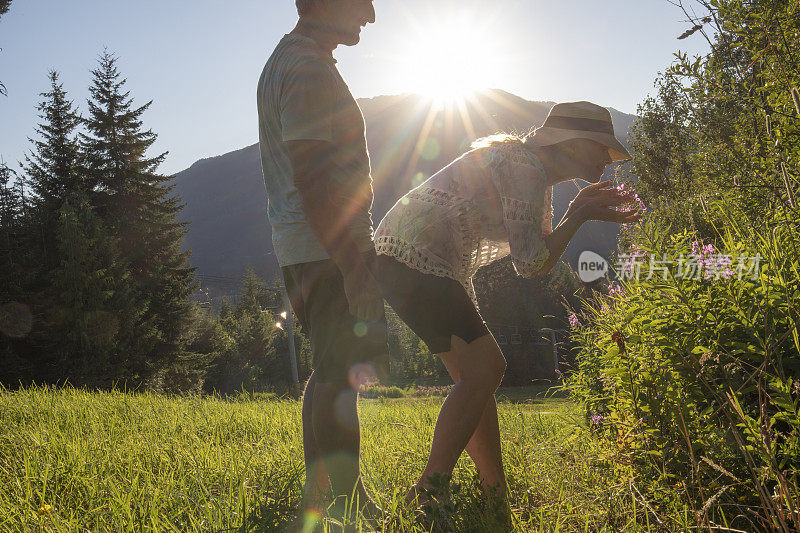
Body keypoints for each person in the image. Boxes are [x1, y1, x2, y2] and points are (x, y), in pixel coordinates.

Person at [373, 101, 643, 518]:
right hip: (414, 257)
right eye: (601, 150)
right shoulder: (526, 169)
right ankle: (425, 494)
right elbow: (531, 264)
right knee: (485, 370)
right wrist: (580, 213)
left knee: (477, 377)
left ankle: (494, 493)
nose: (607, 161)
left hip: (416, 259)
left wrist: (577, 212)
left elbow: (537, 255)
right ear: (573, 144)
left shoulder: (531, 170)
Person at [256, 0, 387, 526]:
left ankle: (323, 495)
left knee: (326, 373)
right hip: (329, 249)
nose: (371, 17)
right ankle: (346, 507)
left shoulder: (286, 60)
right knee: (341, 380)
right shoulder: (308, 69)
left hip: (306, 247)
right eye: (363, 3)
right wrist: (356, 270)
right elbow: (314, 184)